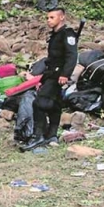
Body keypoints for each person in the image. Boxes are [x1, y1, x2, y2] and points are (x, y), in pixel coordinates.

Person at [20, 8, 78, 151]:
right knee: (55, 104)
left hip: (59, 75)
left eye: (52, 17)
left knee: (39, 103)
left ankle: (38, 136)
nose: (49, 20)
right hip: (50, 74)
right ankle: (52, 135)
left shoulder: (67, 34)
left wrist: (65, 74)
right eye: (48, 18)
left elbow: (72, 56)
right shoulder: (55, 35)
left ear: (62, 17)